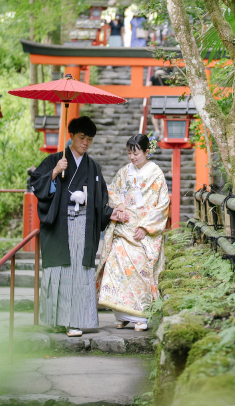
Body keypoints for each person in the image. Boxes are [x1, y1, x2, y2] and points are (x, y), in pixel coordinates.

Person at [30, 116, 128, 337]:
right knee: (60, 272)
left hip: (84, 227)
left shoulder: (93, 167)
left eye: (89, 139)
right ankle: (57, 320)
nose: (85, 143)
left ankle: (74, 321)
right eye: (82, 137)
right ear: (71, 135)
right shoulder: (55, 160)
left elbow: (101, 201)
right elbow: (38, 186)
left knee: (78, 272)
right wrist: (55, 171)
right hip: (59, 228)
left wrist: (112, 212)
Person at [98, 134, 170, 331]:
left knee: (141, 270)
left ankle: (141, 316)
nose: (132, 157)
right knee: (115, 265)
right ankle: (121, 314)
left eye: (136, 152)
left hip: (144, 232)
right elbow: (112, 191)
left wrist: (145, 227)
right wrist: (119, 206)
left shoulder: (156, 173)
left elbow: (163, 204)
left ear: (147, 152)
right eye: (129, 153)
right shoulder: (124, 172)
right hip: (124, 227)